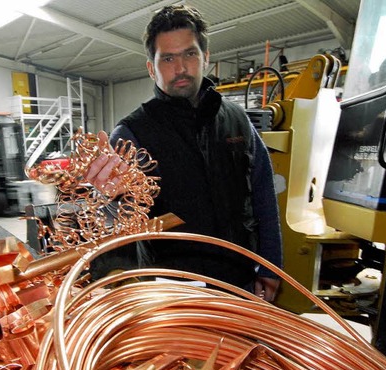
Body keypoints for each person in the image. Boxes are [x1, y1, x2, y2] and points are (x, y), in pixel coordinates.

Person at [86, 5, 282, 301]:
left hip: (240, 283)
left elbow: (264, 196)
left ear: (206, 58)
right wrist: (106, 194)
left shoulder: (237, 120)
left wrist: (271, 268)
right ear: (151, 68)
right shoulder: (132, 134)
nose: (180, 68)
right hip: (175, 293)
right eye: (167, 58)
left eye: (189, 54)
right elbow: (114, 221)